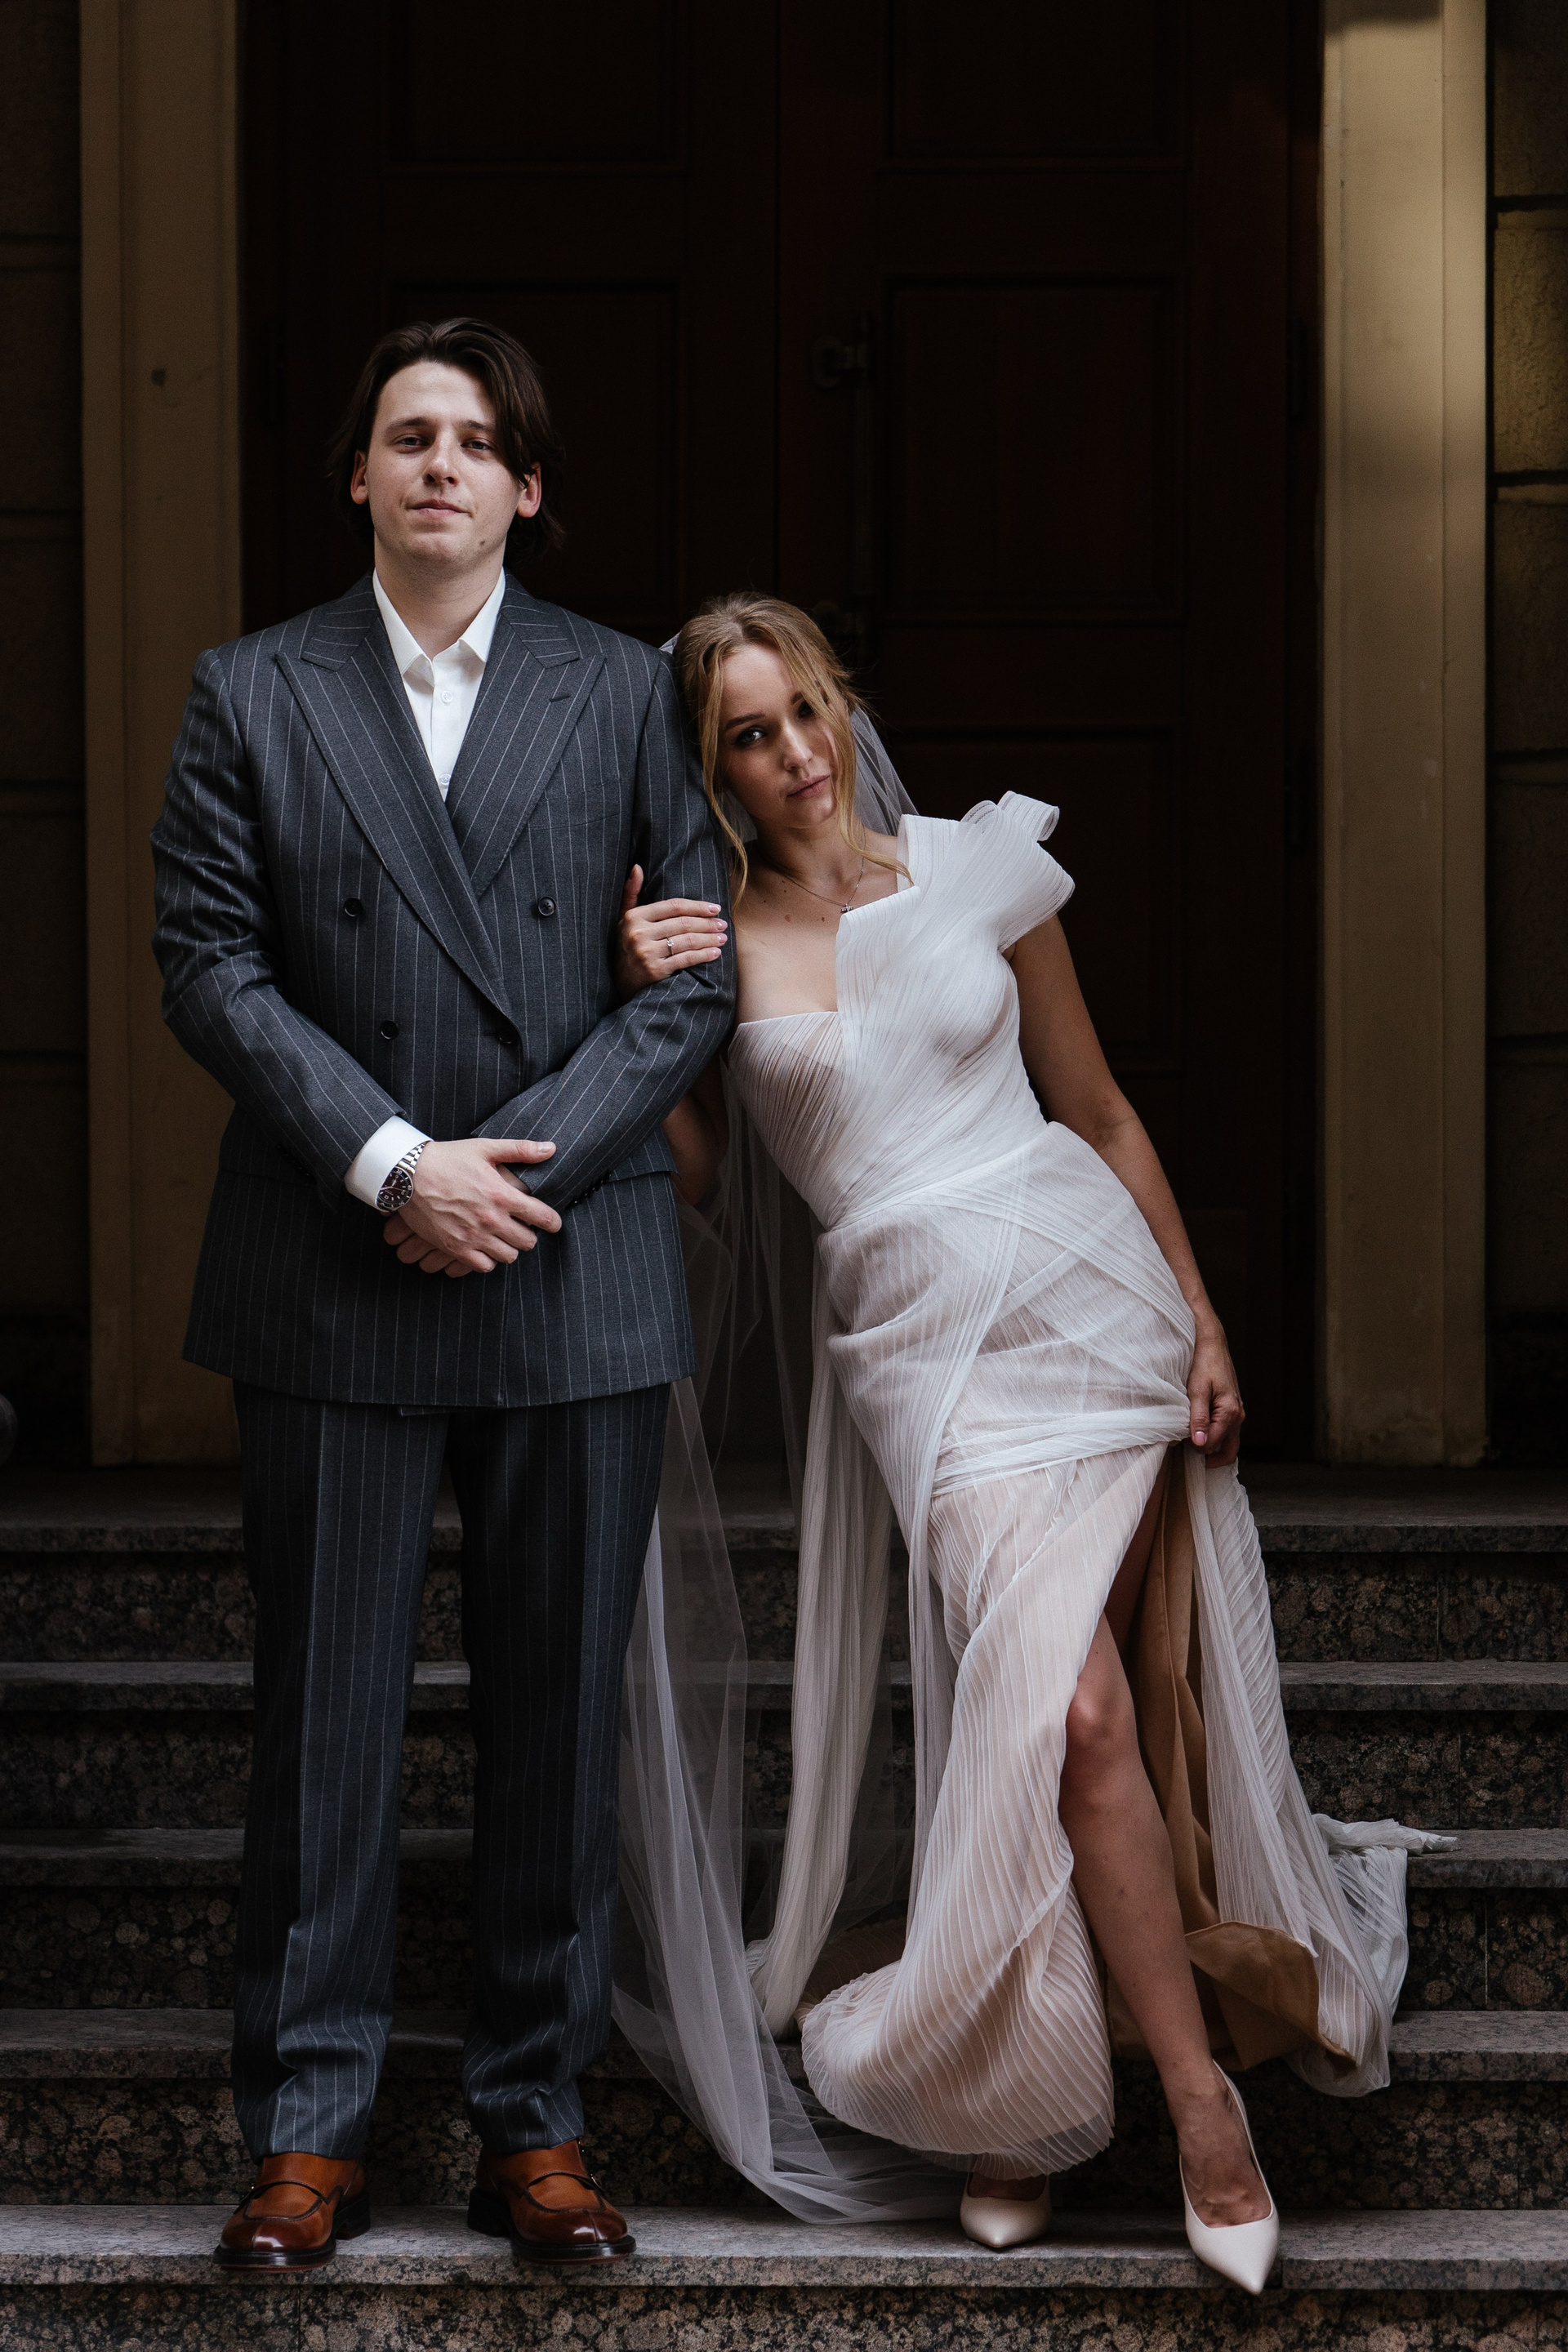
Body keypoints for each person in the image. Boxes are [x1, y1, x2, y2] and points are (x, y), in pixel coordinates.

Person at [611, 592, 1438, 2292]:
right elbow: (694, 1171)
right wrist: (636, 1002)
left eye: (807, 710)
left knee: (1066, 1715)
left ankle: (1158, 2114)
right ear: (711, 772)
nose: (797, 756)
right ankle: (1054, 2086)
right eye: (749, 736)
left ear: (843, 705)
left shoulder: (980, 870)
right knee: (1061, 1710)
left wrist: (1202, 1318)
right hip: (920, 1354)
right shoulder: (712, 944)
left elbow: (1103, 1110)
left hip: (1086, 1298)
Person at [150, 318, 733, 2270]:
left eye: (477, 442)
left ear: (526, 489)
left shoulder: (627, 688)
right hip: (340, 1255)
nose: (439, 466)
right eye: (409, 436)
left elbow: (701, 980)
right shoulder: (250, 690)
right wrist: (400, 1165)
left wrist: (507, 1182)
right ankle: (306, 2133)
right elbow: (209, 965)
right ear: (359, 476)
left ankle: (536, 2122)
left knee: (557, 1723)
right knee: (325, 1721)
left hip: (567, 1257)